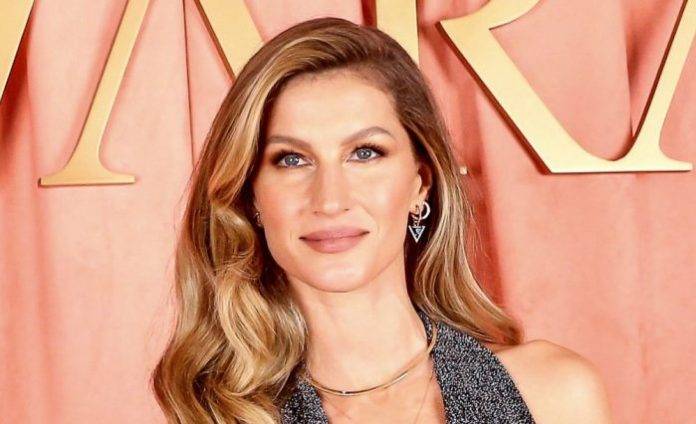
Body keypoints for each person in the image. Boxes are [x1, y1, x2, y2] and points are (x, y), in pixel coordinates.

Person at [151, 16, 614, 423]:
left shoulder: (551, 394)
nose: (330, 200)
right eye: (292, 159)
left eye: (365, 153)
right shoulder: (218, 414)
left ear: (419, 184)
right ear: (251, 194)